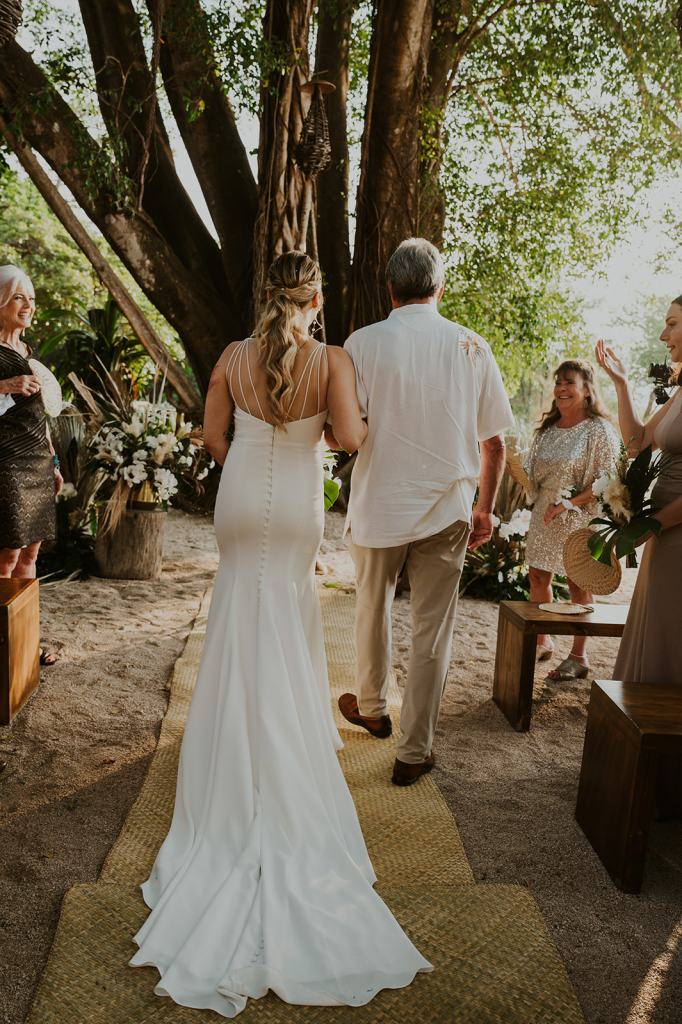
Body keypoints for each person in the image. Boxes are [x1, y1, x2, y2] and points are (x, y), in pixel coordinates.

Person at [130, 252, 431, 1017]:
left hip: (241, 501)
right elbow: (354, 438)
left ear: (268, 296)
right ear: (317, 298)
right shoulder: (330, 359)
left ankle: (235, 741)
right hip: (297, 503)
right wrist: (317, 434)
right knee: (288, 618)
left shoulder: (232, 355)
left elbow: (212, 436)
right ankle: (285, 736)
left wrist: (249, 458)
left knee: (239, 619)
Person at [336, 237, 514, 786]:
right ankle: (415, 750)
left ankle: (372, 706)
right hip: (448, 507)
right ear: (439, 287)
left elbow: (347, 434)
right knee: (433, 630)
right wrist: (484, 509)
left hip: (379, 503)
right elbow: (495, 444)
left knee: (371, 607)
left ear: (388, 288)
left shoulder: (360, 344)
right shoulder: (472, 346)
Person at [595, 300, 682, 688]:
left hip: (673, 529)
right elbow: (637, 443)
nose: (664, 336)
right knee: (657, 624)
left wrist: (649, 526)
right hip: (665, 534)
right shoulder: (680, 393)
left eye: (672, 325)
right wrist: (621, 384)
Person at [524, 359, 620, 681]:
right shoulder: (547, 431)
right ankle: (542, 639)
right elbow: (534, 473)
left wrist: (569, 503)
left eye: (569, 382)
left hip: (579, 517)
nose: (562, 389)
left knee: (579, 583)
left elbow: (609, 478)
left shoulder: (599, 430)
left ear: (587, 390)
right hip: (544, 516)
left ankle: (578, 657)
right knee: (538, 576)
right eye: (558, 383)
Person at [0, 265, 62, 664]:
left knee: (30, 556)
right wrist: (4, 386)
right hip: (6, 460)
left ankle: (25, 643)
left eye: (32, 299)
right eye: (20, 297)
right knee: (5, 555)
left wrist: (54, 462)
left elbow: (42, 413)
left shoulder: (29, 351)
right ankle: (1, 645)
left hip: (39, 462)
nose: (29, 306)